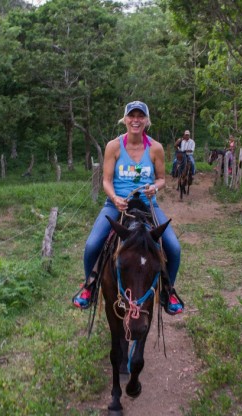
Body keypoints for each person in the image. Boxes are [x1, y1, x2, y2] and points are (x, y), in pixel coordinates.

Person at [72, 100, 184, 315]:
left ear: (146, 120)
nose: (135, 120)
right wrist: (114, 198)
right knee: (92, 245)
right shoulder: (114, 146)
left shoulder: (155, 148)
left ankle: (168, 290)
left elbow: (162, 179)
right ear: (125, 120)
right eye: (131, 116)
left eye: (140, 116)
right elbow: (106, 180)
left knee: (174, 247)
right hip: (118, 205)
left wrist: (154, 187)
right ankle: (90, 286)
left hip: (147, 205)